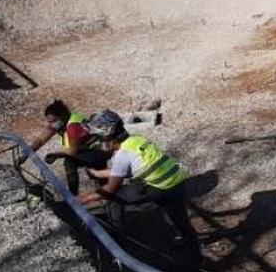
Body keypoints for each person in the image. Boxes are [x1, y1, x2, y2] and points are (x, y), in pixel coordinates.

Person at [80, 110, 201, 260]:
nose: (97, 143)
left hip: (158, 187)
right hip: (176, 181)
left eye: (97, 138)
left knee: (115, 199)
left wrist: (80, 200)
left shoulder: (122, 155)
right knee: (181, 221)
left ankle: (115, 241)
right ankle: (196, 257)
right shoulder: (137, 140)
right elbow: (128, 170)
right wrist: (98, 174)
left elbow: (109, 190)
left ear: (106, 136)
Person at [24, 99, 107, 195]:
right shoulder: (61, 123)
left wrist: (55, 155)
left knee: (73, 164)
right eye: (49, 122)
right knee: (72, 164)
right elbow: (41, 139)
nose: (51, 124)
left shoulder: (73, 127)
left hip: (96, 151)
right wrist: (25, 154)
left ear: (62, 117)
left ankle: (76, 197)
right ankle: (75, 196)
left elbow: (73, 151)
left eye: (53, 121)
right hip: (85, 150)